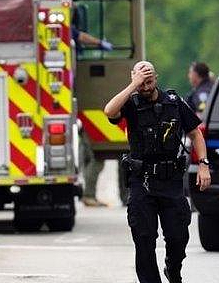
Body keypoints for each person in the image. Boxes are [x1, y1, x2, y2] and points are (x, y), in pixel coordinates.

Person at [104, 61, 211, 283]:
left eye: (149, 80)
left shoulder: (174, 102)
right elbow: (109, 111)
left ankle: (173, 268)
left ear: (156, 78)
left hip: (171, 180)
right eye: (141, 81)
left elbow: (195, 134)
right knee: (144, 239)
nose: (145, 85)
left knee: (178, 236)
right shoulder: (131, 103)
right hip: (142, 181)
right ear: (134, 79)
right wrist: (133, 85)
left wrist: (203, 164)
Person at [72, 25, 113, 207]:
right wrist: (99, 43)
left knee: (93, 157)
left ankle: (89, 194)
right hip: (79, 112)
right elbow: (81, 36)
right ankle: (88, 195)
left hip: (76, 110)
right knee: (97, 158)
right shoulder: (68, 28)